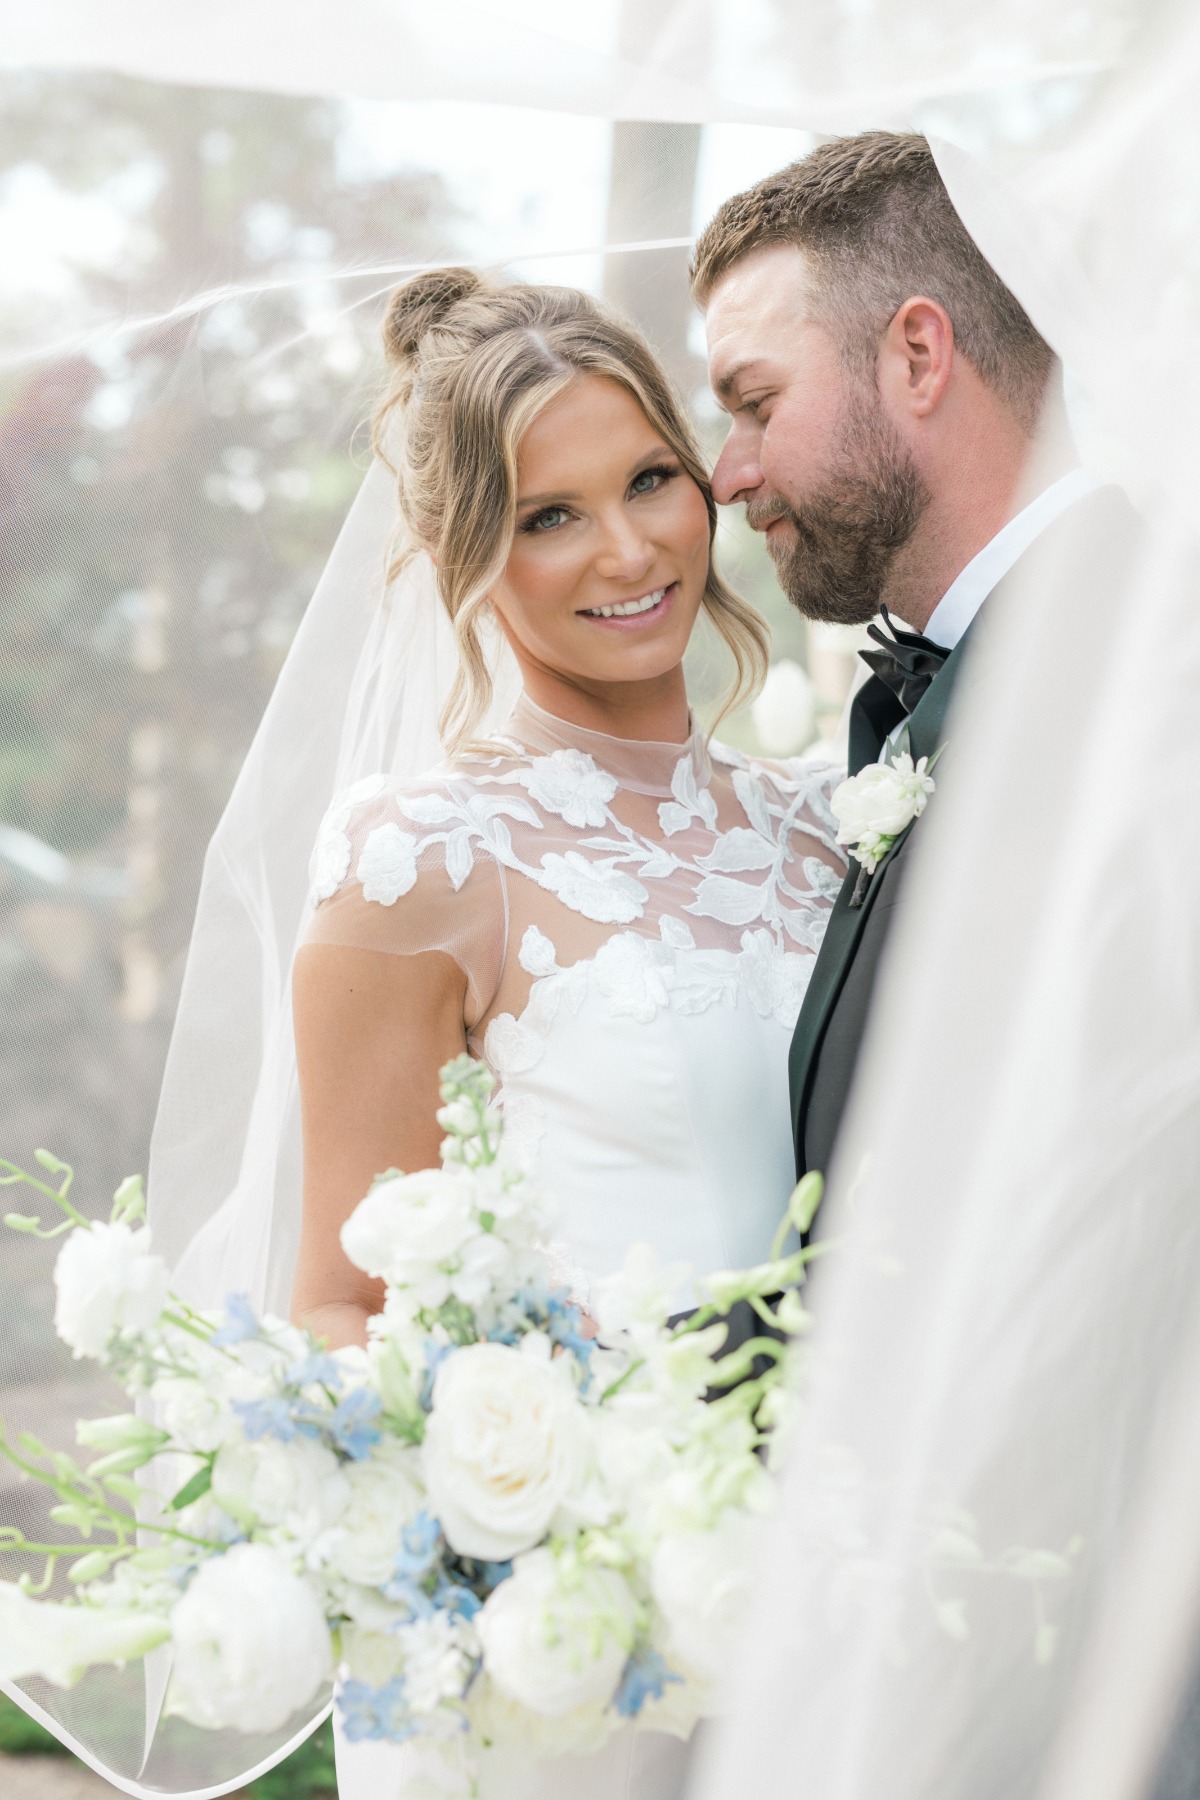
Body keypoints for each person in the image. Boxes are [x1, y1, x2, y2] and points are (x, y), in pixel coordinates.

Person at [288, 268, 846, 1797]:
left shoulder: (824, 833)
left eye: (653, 479)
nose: (629, 549)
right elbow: (339, 1302)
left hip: (827, 1601)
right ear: (458, 552)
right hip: (559, 1640)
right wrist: (545, 1512)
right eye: (549, 515)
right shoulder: (422, 856)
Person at [690, 130, 1136, 1191]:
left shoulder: (1146, 669)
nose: (728, 474)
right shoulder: (919, 697)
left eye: (757, 405)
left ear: (919, 358)